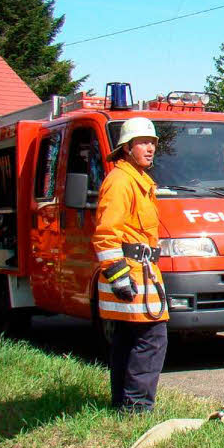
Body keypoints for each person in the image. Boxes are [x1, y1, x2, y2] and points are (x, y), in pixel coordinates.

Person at [93, 117, 169, 412]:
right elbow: (105, 233)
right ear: (126, 148)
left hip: (141, 273)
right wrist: (117, 273)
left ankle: (124, 405)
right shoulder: (121, 182)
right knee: (152, 340)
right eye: (143, 143)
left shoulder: (138, 181)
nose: (150, 148)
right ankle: (137, 408)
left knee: (127, 340)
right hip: (132, 274)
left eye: (152, 143)